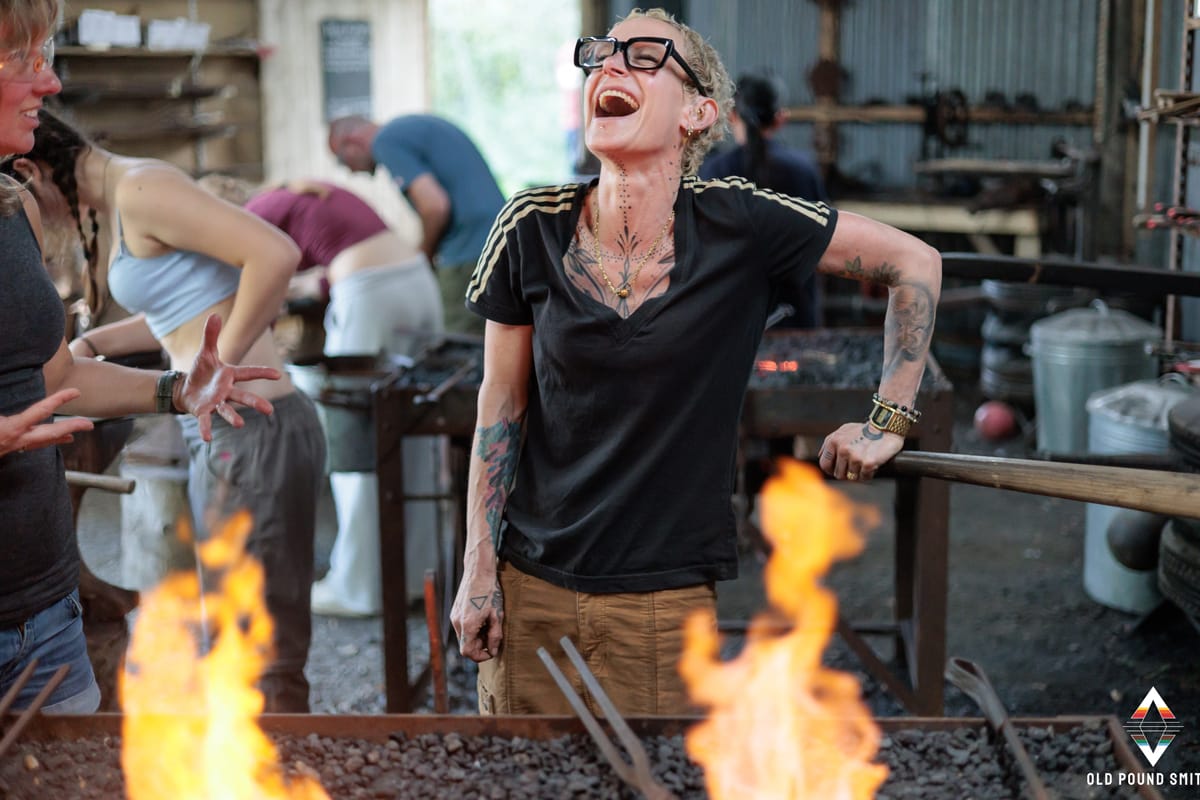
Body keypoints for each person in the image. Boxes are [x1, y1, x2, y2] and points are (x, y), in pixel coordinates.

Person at [450, 8, 941, 716]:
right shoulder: (531, 224)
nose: (610, 67)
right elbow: (500, 407)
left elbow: (913, 262)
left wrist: (887, 416)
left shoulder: (737, 225)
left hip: (662, 601)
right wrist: (478, 570)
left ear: (697, 111)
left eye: (644, 56)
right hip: (530, 588)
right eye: (602, 54)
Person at [0, 0, 283, 714]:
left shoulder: (12, 209)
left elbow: (58, 378)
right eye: (21, 60)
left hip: (43, 617)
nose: (51, 84)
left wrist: (179, 391)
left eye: (47, 57)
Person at [224, 177, 445, 617]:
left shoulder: (251, 216)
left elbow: (246, 297)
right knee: (417, 434)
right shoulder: (305, 193)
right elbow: (333, 259)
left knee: (357, 441)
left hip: (372, 295)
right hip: (418, 283)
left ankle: (360, 587)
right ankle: (422, 577)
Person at [327, 113, 505, 337]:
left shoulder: (385, 140)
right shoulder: (413, 127)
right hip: (498, 244)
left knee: (460, 345)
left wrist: (424, 254)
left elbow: (435, 206)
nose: (350, 171)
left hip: (466, 255)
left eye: (342, 161)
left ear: (352, 142)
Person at [699, 72, 827, 329]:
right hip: (795, 319)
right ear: (781, 119)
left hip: (726, 322)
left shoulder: (713, 172)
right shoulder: (804, 171)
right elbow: (824, 248)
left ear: (732, 115)